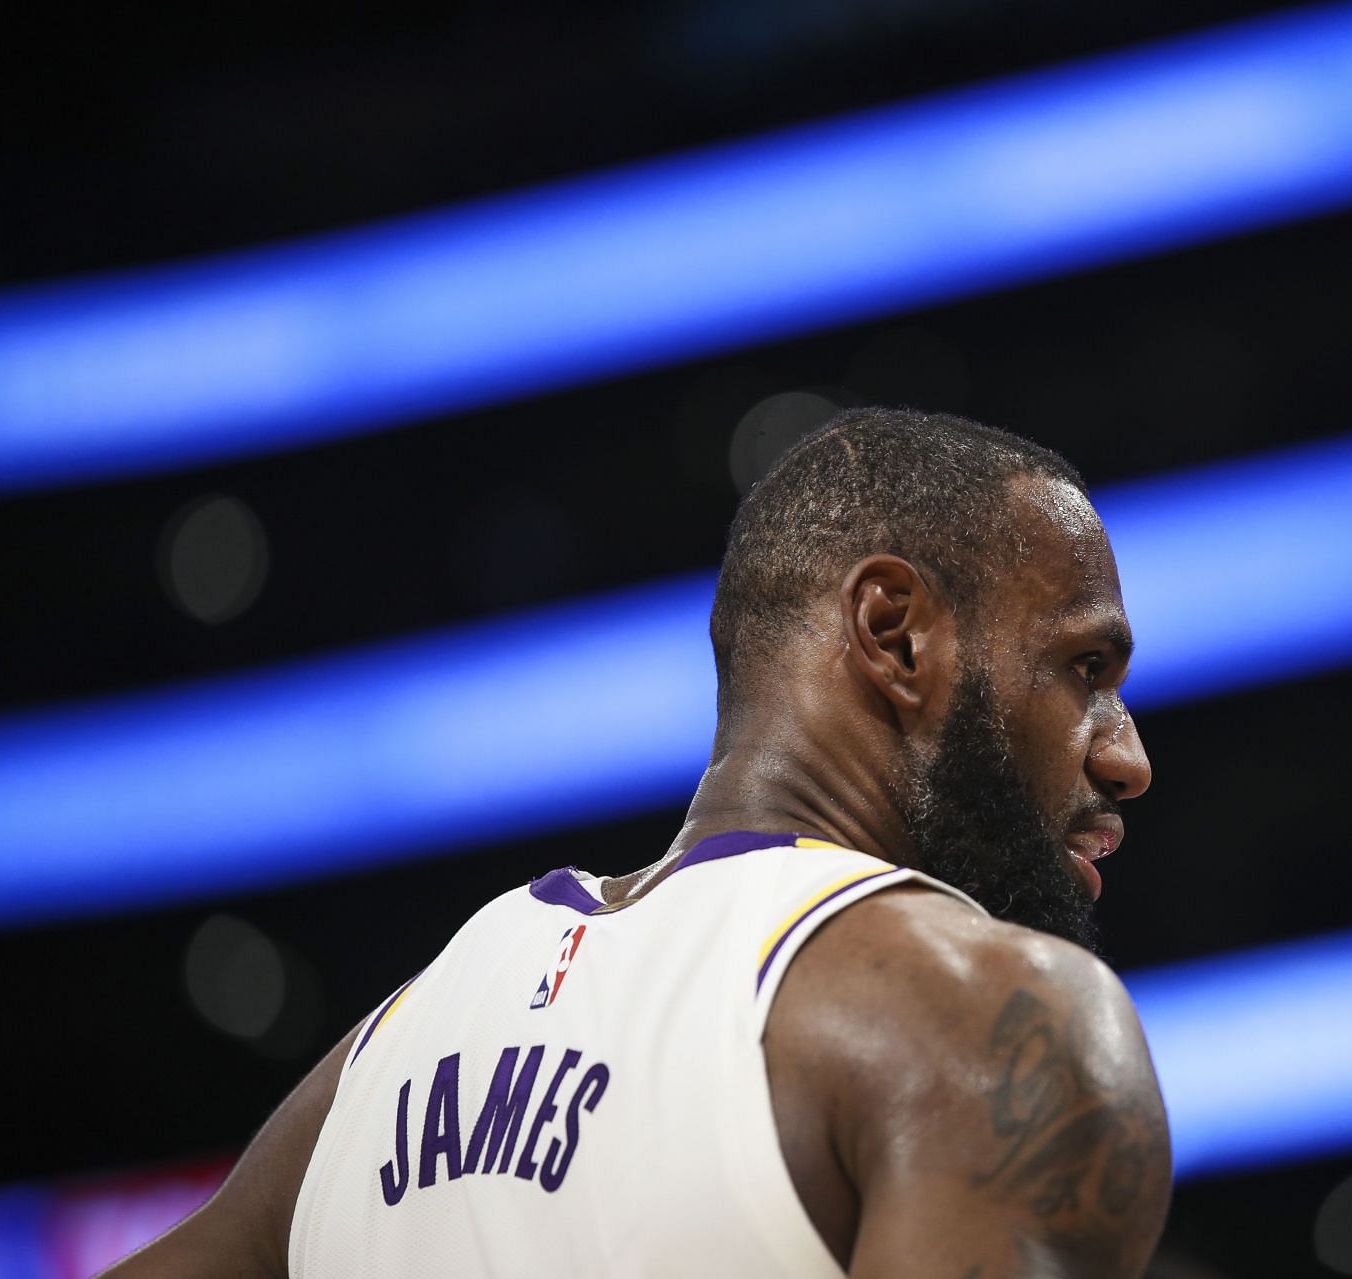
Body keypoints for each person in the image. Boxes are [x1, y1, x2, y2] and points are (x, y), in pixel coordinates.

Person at [106, 408, 1171, 1278]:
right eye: (1087, 670)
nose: (1127, 757)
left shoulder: (396, 1044)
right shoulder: (991, 1020)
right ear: (893, 634)